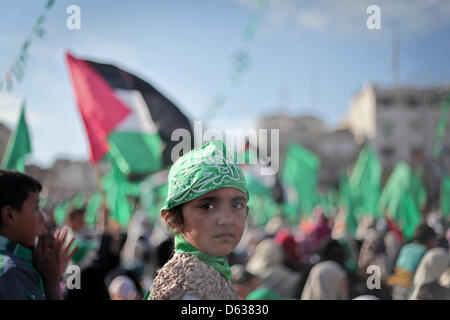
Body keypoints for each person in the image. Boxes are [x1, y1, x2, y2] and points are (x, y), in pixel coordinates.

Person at [147, 140, 249, 300]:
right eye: (207, 206)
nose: (227, 219)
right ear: (173, 219)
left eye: (236, 205)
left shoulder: (216, 272)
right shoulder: (185, 288)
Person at [0, 170, 77, 299]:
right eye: (36, 208)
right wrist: (52, 281)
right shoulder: (11, 271)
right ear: (9, 215)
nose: (44, 218)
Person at [388, 223, 438, 300]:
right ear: (429, 240)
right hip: (411, 290)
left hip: (397, 287)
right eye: (434, 240)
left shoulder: (406, 248)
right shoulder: (425, 252)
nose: (436, 243)